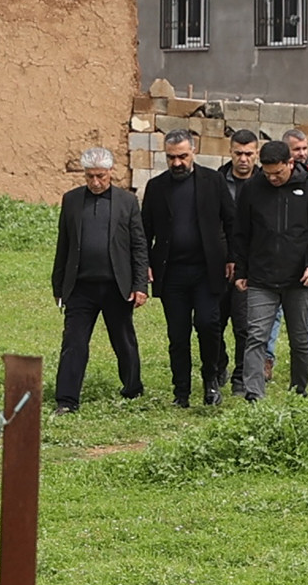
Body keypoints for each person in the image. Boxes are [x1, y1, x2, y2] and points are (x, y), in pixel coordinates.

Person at [50, 147, 149, 415]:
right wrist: (58, 286)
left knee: (124, 340)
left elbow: (139, 246)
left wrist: (140, 285)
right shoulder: (71, 201)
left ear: (110, 173)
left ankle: (132, 389)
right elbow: (64, 245)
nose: (96, 182)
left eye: (101, 176)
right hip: (80, 288)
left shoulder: (127, 202)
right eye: (90, 176)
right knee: (74, 342)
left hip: (117, 286)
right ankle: (67, 400)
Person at [141, 129, 235, 408]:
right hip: (172, 273)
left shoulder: (213, 181)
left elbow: (231, 222)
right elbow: (143, 231)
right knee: (178, 335)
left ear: (194, 151)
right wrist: (145, 262)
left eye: (182, 156)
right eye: (171, 158)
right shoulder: (156, 187)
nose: (177, 163)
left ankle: (211, 381)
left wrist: (233, 258)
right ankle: (180, 392)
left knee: (208, 324)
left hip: (208, 270)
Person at [231, 139, 308, 400]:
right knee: (256, 337)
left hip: (299, 279)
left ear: (290, 163)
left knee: (300, 339)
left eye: (278, 172)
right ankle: (254, 395)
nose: (273, 178)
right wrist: (241, 270)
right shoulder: (252, 189)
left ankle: (299, 391)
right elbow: (241, 232)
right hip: (261, 278)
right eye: (267, 172)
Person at [263, 128, 308, 377]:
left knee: (306, 316)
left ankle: (304, 359)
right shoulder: (268, 179)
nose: (303, 153)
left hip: (306, 259)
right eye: (297, 149)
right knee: (271, 315)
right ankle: (267, 360)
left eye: (305, 148)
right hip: (273, 263)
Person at [217, 129, 260, 395]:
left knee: (245, 326)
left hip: (251, 267)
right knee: (213, 323)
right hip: (217, 265)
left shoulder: (264, 183)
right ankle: (218, 366)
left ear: (256, 154)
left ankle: (241, 377)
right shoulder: (216, 182)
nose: (243, 159)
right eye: (238, 153)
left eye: (248, 154)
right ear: (230, 152)